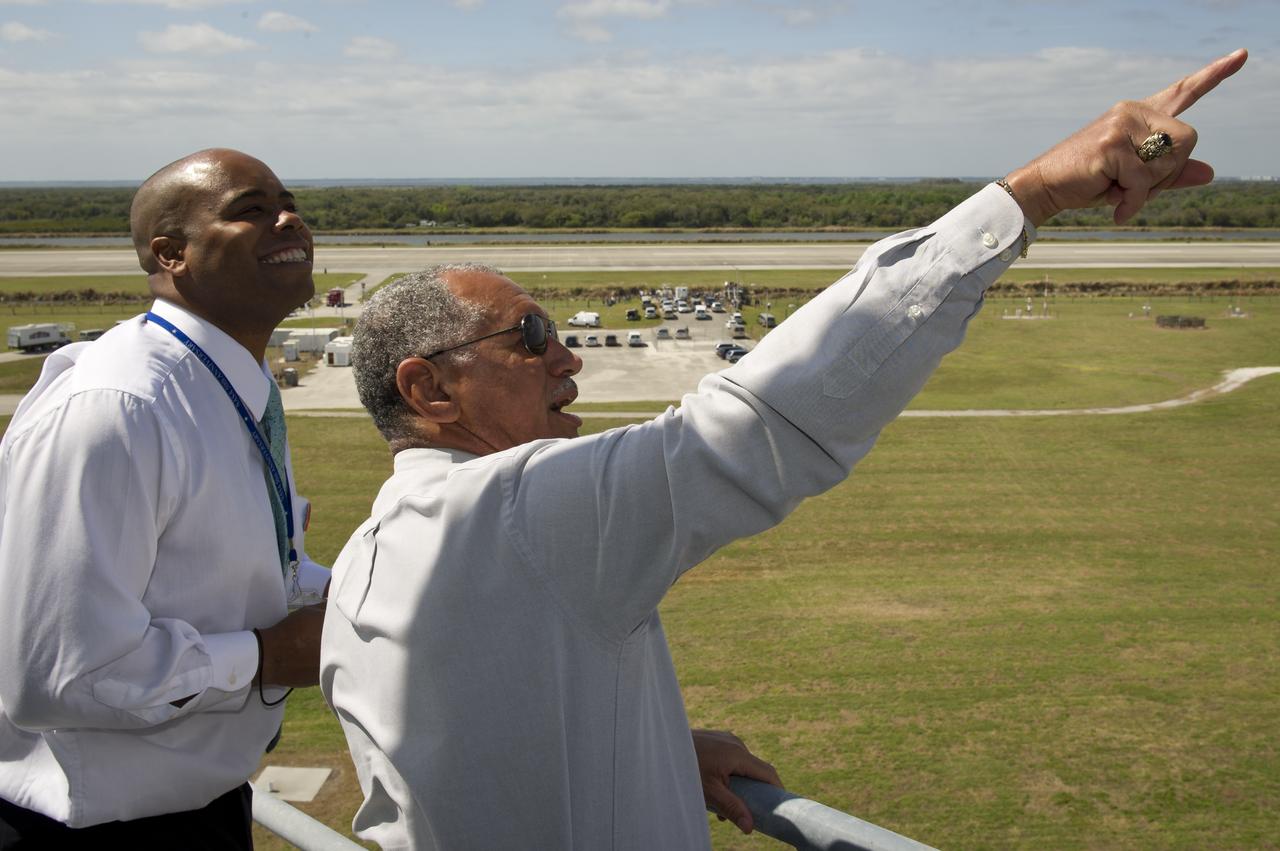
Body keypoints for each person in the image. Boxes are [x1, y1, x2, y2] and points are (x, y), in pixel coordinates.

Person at [320, 51, 1247, 850]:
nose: (564, 352)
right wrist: (1033, 194)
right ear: (429, 389)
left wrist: (646, 749)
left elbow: (465, 747)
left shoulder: (371, 554)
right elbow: (764, 418)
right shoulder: (514, 510)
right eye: (527, 334)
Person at [0, 148, 329, 848]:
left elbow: (230, 579)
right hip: (91, 827)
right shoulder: (122, 405)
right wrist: (269, 657)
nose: (289, 219)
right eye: (251, 210)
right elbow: (59, 673)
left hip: (201, 806)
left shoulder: (227, 382)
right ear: (170, 252)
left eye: (290, 202)